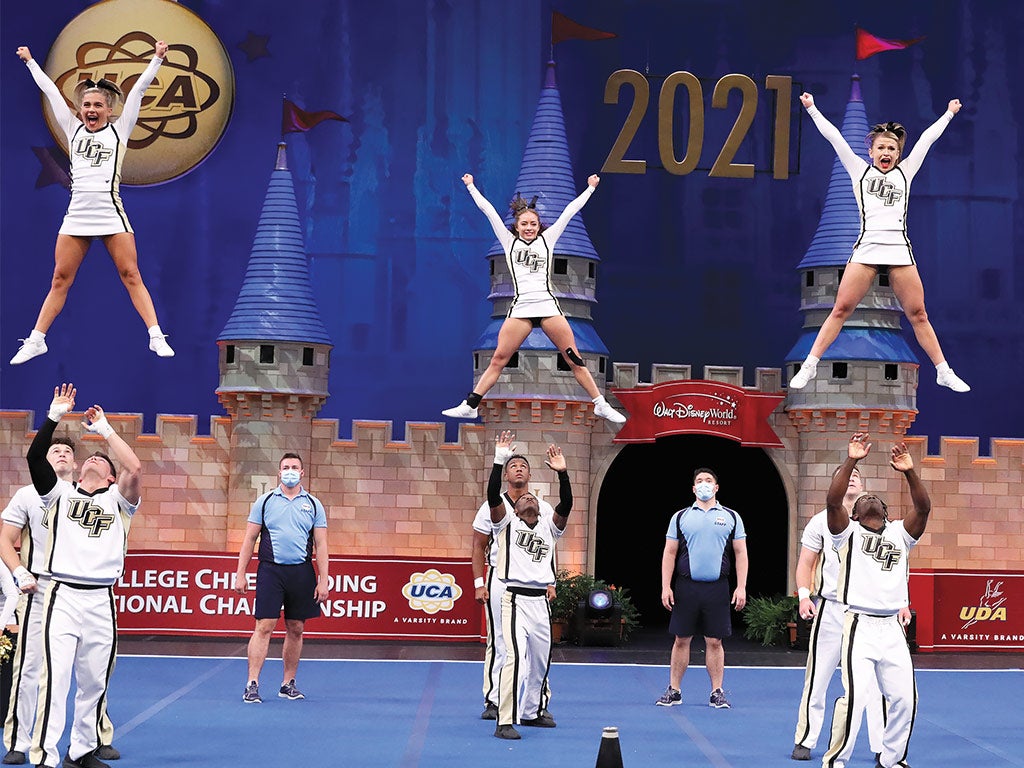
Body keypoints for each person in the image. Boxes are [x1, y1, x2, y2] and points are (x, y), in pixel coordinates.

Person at [789, 93, 969, 394]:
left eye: (892, 148)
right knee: (840, 309)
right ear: (871, 151)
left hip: (899, 250)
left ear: (898, 154)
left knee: (918, 314)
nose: (887, 152)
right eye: (882, 147)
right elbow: (835, 139)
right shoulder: (859, 172)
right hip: (866, 250)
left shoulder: (905, 173)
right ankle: (810, 364)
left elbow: (927, 139)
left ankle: (944, 371)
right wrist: (813, 109)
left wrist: (949, 113)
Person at [10, 42, 174, 365]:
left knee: (131, 274)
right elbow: (51, 93)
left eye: (98, 105)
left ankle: (156, 335)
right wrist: (30, 62)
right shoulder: (72, 130)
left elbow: (139, 91)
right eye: (86, 104)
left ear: (109, 110)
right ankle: (36, 339)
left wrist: (156, 59)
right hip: (77, 216)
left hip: (111, 213)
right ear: (80, 108)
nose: (91, 110)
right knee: (60, 279)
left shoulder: (119, 131)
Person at [12, 384, 140, 768]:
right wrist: (55, 413)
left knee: (94, 681)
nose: (95, 461)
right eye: (92, 458)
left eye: (103, 461)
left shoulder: (119, 502)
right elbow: (36, 456)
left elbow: (134, 467)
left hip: (101, 597)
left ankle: (81, 750)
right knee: (57, 679)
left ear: (110, 476)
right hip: (62, 595)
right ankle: (45, 757)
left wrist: (104, 429)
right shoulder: (60, 494)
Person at [442, 173, 625, 424]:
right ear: (516, 226)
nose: (529, 228)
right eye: (524, 224)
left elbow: (570, 211)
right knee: (498, 358)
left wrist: (590, 189)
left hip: (548, 307)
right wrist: (471, 186)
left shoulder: (547, 241)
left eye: (533, 224)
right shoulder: (509, 243)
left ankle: (600, 403)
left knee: (574, 358)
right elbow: (488, 211)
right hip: (521, 309)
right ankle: (471, 404)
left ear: (539, 226)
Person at [0, 438, 120, 765]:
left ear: (78, 466)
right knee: (32, 668)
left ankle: (94, 738)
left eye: (69, 451)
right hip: (37, 589)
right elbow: (4, 538)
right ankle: (20, 740)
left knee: (93, 670)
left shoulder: (89, 495)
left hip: (79, 588)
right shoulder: (30, 494)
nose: (63, 454)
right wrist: (19, 572)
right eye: (56, 450)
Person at [821, 433, 928, 768]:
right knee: (855, 699)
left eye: (875, 498)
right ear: (854, 513)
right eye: (862, 499)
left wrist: (909, 471)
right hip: (859, 625)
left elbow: (923, 507)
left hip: (893, 629)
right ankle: (836, 760)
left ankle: (892, 759)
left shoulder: (900, 534)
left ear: (886, 510)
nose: (868, 499)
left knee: (906, 699)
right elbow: (832, 502)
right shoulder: (847, 533)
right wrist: (851, 460)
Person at [790, 465, 888, 762]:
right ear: (838, 483)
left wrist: (901, 603)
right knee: (818, 676)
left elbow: (890, 569)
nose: (853, 477)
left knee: (870, 681)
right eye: (848, 474)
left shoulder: (878, 524)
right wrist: (805, 595)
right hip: (831, 608)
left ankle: (881, 744)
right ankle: (806, 738)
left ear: (864, 485)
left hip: (866, 613)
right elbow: (806, 562)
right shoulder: (821, 522)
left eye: (858, 474)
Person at [488, 432, 571, 740]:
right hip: (513, 598)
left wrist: (562, 473)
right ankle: (504, 720)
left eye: (532, 498)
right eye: (522, 498)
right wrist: (499, 459)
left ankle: (531, 711)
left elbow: (568, 504)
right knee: (513, 657)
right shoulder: (506, 524)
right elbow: (494, 498)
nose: (527, 499)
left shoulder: (550, 527)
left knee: (539, 659)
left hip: (539, 601)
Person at [232, 454, 329, 704]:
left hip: (301, 572)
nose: (290, 471)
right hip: (270, 571)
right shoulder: (264, 502)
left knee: (296, 628)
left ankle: (288, 683)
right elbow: (249, 540)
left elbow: (321, 544)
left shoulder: (314, 505)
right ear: (279, 472)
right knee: (264, 626)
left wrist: (323, 579)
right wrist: (240, 573)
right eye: (286, 467)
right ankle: (252, 684)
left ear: (302, 473)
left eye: (294, 467)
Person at [471, 449, 554, 721]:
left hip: (533, 582)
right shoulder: (492, 506)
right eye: (513, 465)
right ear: (506, 474)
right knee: (501, 641)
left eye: (523, 466)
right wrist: (478, 582)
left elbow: (549, 547)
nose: (518, 469)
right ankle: (495, 698)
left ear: (530, 474)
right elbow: (478, 545)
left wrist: (551, 581)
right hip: (500, 577)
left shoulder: (542, 508)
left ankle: (533, 703)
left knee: (535, 649)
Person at [657, 468, 747, 710]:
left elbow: (740, 553)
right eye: (699, 481)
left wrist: (741, 587)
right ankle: (674, 690)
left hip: (718, 588)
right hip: (686, 587)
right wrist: (666, 586)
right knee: (681, 639)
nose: (704, 484)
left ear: (716, 487)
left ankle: (717, 692)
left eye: (709, 480)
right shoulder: (680, 517)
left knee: (715, 641)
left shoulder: (731, 516)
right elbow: (669, 552)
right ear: (693, 488)